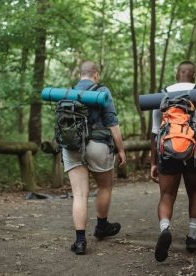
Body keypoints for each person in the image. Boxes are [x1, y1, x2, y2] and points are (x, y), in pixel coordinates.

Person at [150, 60, 196, 262]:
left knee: (166, 195)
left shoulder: (162, 94)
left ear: (177, 75)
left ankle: (165, 228)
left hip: (167, 151)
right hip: (193, 151)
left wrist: (153, 162)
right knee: (194, 192)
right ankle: (191, 237)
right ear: (194, 75)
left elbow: (155, 132)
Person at [64, 61, 126, 255]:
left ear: (80, 74)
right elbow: (112, 124)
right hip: (98, 145)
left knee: (80, 194)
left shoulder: (68, 92)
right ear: (96, 75)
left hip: (72, 145)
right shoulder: (102, 91)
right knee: (104, 186)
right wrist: (121, 149)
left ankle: (81, 241)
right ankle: (101, 226)